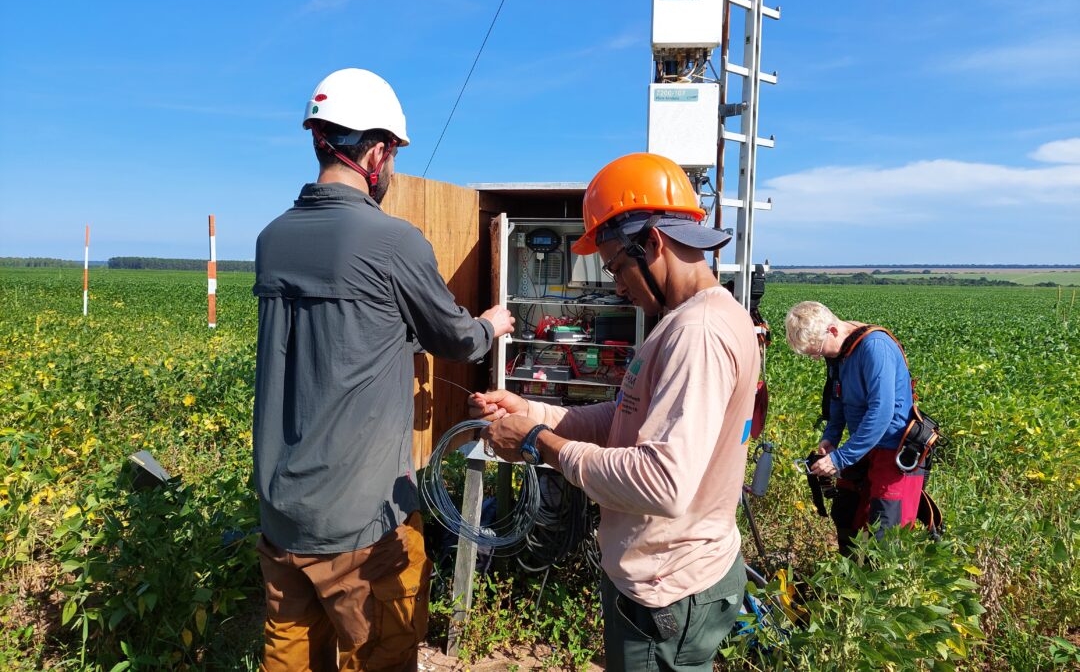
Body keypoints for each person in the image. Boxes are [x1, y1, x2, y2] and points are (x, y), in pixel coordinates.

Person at [251, 68, 514, 671]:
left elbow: (333, 338)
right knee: (383, 654)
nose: (392, 167)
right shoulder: (393, 241)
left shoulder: (272, 239)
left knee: (290, 658)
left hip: (281, 517)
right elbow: (454, 339)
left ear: (319, 139)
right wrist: (491, 326)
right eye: (393, 153)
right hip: (362, 525)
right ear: (376, 150)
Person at [470, 152, 760, 671]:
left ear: (652, 242)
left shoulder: (697, 333)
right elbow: (624, 418)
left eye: (617, 268)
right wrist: (534, 411)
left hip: (665, 592)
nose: (617, 287)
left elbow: (661, 483)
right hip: (671, 577)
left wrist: (540, 445)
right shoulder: (692, 319)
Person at [785, 301, 925, 553]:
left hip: (893, 451)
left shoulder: (875, 347)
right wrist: (831, 438)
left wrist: (840, 458)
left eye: (817, 352)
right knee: (846, 514)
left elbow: (881, 413)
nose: (819, 358)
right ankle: (848, 583)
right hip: (862, 447)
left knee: (884, 534)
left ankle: (878, 588)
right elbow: (837, 400)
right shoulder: (839, 353)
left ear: (833, 330)